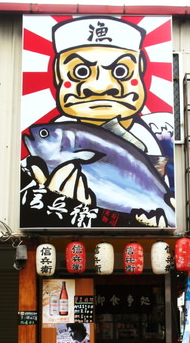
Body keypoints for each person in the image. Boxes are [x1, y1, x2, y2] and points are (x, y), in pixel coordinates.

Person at [21, 16, 175, 228]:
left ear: (140, 70)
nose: (101, 86)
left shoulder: (158, 135)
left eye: (121, 71)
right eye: (81, 71)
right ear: (58, 74)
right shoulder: (30, 167)